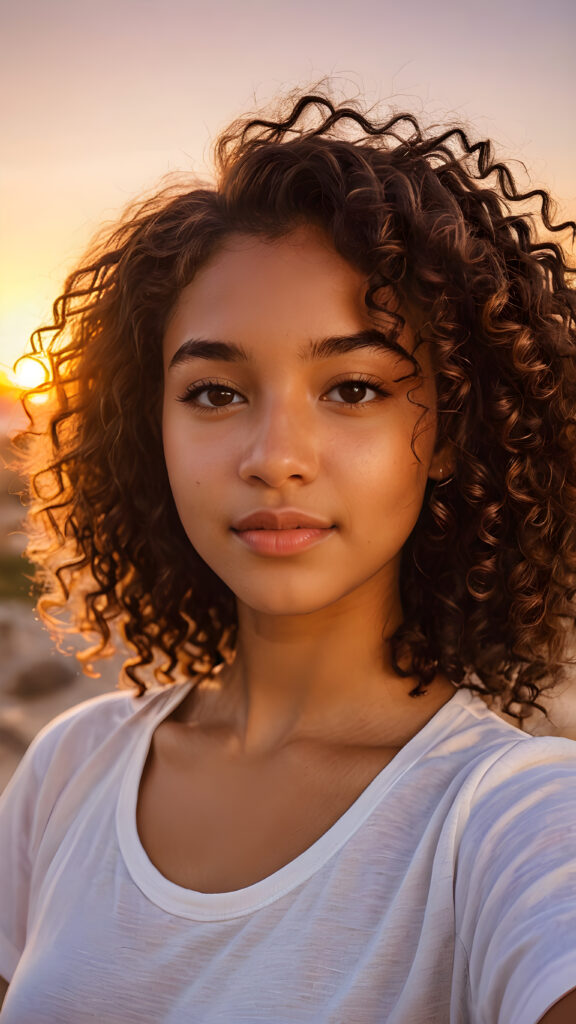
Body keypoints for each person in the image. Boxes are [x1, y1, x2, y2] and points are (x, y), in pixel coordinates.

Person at [1, 84, 575, 1023]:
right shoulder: (71, 769)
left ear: (452, 434)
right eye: (216, 393)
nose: (274, 459)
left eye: (352, 388)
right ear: (151, 430)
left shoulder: (516, 822)